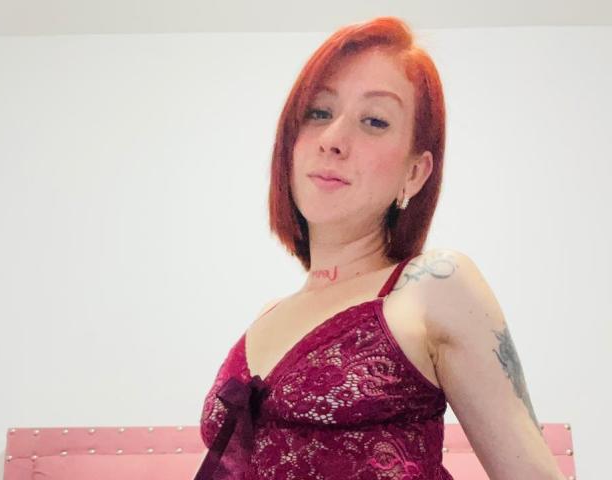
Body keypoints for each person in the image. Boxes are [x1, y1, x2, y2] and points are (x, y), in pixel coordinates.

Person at [196, 16, 564, 480]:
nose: (333, 140)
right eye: (319, 113)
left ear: (415, 172)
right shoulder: (267, 316)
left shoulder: (434, 285)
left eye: (374, 121)